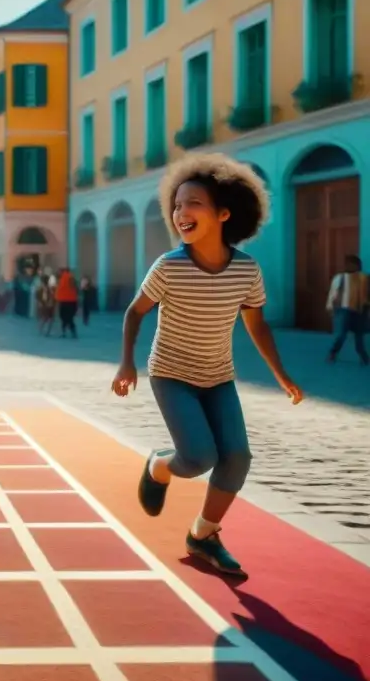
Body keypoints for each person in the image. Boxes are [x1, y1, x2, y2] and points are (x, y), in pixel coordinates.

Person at [111, 153, 303, 577]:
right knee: (197, 458)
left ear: (224, 213)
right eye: (177, 205)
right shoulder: (169, 266)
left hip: (218, 378)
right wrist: (127, 364)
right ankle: (159, 465)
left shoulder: (247, 270)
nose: (181, 213)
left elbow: (257, 324)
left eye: (193, 203)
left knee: (236, 457)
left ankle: (203, 535)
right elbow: (134, 312)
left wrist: (282, 376)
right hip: (171, 374)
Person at [325, 254, 368, 365]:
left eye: (356, 265)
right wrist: (330, 307)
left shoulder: (364, 278)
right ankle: (333, 353)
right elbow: (333, 293)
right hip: (343, 310)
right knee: (341, 335)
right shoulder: (340, 278)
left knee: (359, 335)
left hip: (360, 311)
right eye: (350, 264)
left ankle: (363, 356)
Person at [55, 268, 79, 338]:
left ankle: (68, 331)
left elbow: (73, 286)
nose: (57, 273)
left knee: (66, 317)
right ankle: (67, 331)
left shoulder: (68, 277)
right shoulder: (64, 278)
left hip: (67, 301)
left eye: (58, 272)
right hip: (69, 300)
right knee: (67, 317)